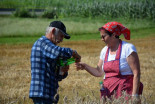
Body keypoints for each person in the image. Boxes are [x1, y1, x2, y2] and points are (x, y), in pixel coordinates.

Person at [76, 21, 143, 101]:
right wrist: (85, 66)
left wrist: (134, 95)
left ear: (114, 35)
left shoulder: (128, 48)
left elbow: (136, 73)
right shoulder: (104, 51)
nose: (102, 39)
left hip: (125, 93)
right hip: (108, 93)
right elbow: (99, 72)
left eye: (103, 36)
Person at [29, 21, 81, 104]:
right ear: (53, 31)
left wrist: (62, 72)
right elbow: (58, 52)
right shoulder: (43, 42)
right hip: (42, 93)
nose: (61, 40)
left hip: (49, 94)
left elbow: (57, 77)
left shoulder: (49, 49)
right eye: (61, 36)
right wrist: (73, 52)